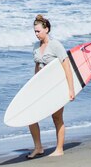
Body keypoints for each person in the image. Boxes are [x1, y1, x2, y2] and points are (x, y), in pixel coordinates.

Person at [26, 14, 75, 159]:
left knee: (57, 117)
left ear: (46, 29)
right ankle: (38, 147)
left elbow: (67, 67)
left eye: (38, 31)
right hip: (41, 87)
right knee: (31, 116)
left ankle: (59, 149)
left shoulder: (56, 45)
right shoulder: (36, 46)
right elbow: (37, 66)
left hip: (56, 87)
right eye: (34, 31)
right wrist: (33, 84)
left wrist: (71, 89)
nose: (36, 34)